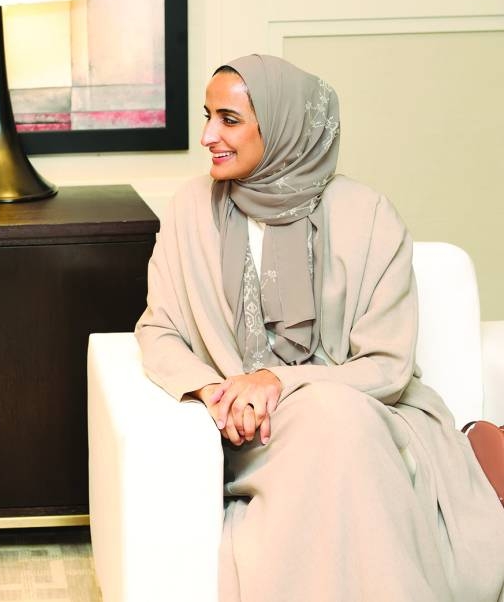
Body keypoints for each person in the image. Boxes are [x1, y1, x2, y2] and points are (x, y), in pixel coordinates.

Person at [136, 54, 504, 601]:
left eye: (229, 120)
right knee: (334, 427)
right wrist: (217, 391)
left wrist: (281, 382)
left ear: (284, 126)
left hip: (370, 419)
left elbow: (388, 366)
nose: (208, 134)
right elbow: (158, 329)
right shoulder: (191, 209)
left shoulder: (369, 214)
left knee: (339, 422)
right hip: (255, 435)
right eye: (207, 115)